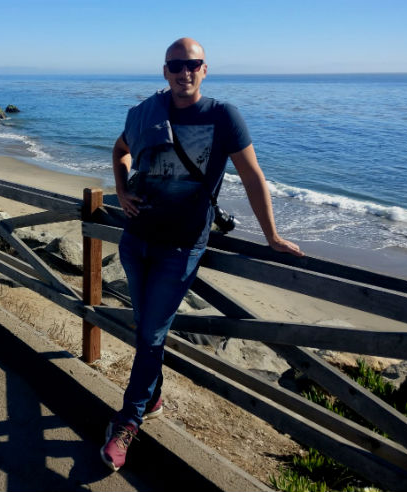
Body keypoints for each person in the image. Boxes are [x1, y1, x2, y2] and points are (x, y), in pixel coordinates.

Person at [101, 37, 304, 472]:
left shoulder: (223, 116)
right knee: (147, 330)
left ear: (205, 69)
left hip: (180, 247)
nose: (184, 72)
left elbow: (252, 176)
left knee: (150, 336)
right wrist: (121, 190)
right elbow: (120, 151)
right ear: (165, 71)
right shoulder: (146, 113)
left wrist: (271, 235)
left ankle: (128, 421)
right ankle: (153, 398)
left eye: (192, 64)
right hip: (135, 240)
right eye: (176, 65)